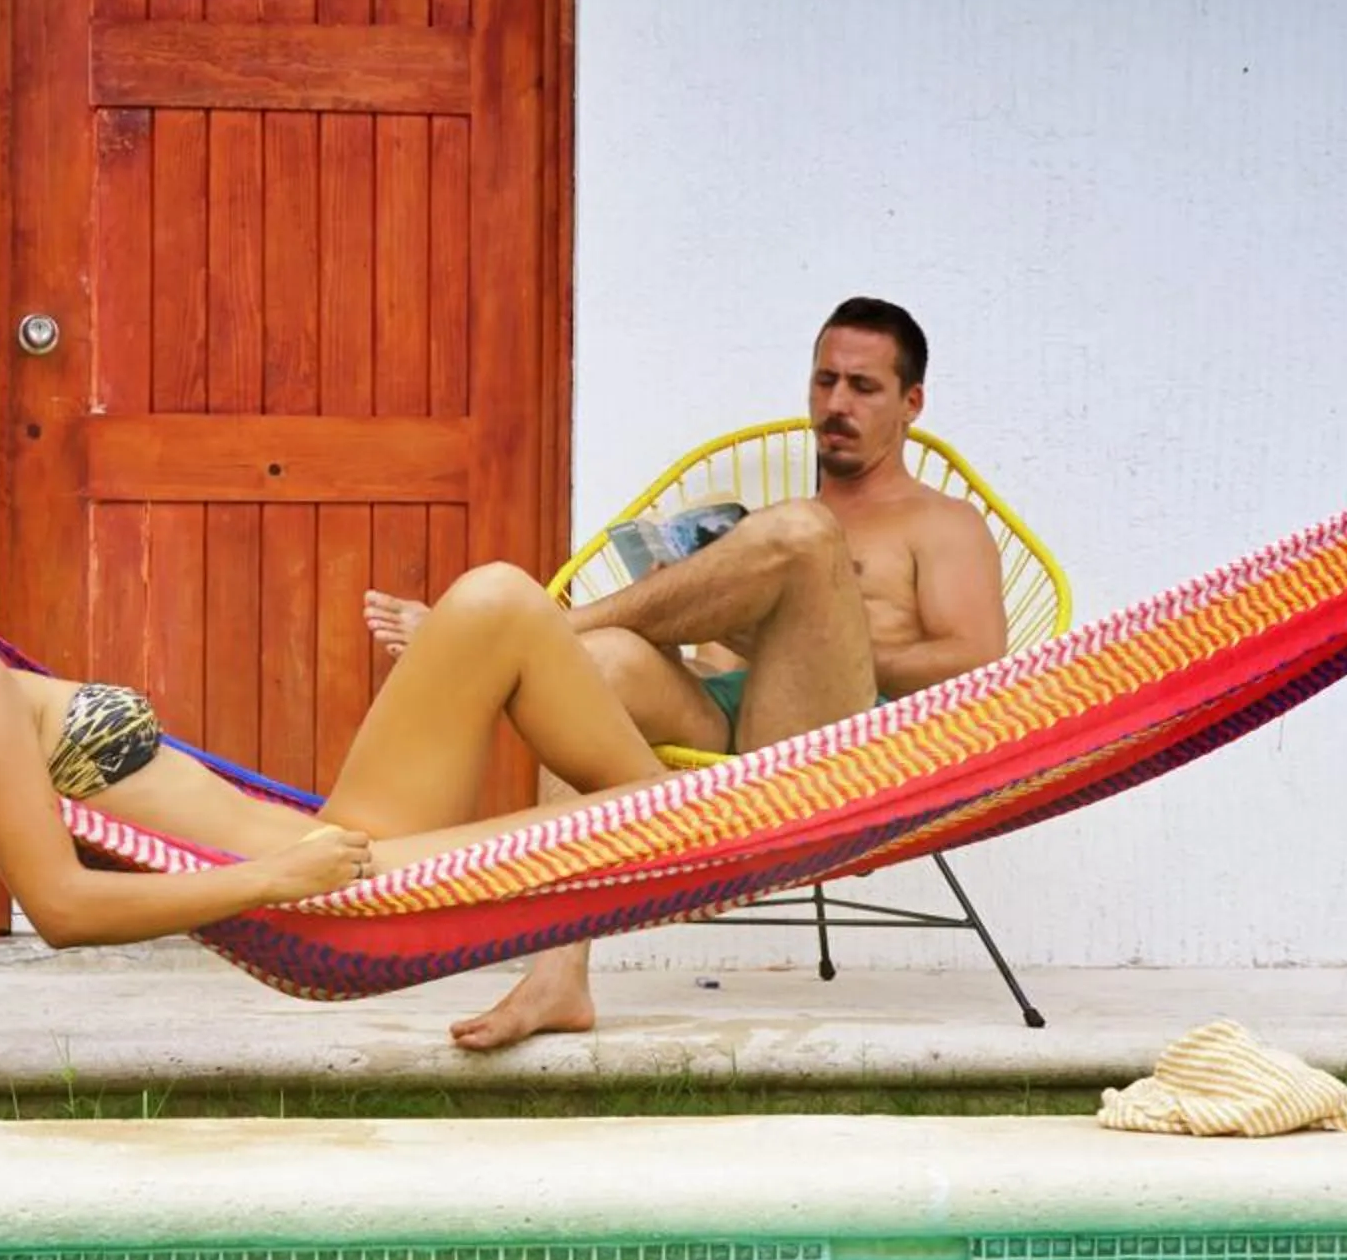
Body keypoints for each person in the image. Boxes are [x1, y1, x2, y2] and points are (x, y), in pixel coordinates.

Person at [0, 431, 833, 952]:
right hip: (328, 874)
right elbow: (63, 909)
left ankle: (684, 841)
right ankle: (691, 843)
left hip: (332, 838)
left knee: (502, 602)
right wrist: (278, 876)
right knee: (507, 616)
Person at [363, 297, 1010, 1050]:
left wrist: (796, 633)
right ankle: (558, 975)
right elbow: (728, 671)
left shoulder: (939, 524)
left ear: (912, 403)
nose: (836, 403)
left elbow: (976, 664)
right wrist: (692, 627)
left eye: (863, 387)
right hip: (745, 729)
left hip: (845, 750)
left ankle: (535, 625)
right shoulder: (773, 526)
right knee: (595, 667)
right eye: (824, 380)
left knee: (802, 534)